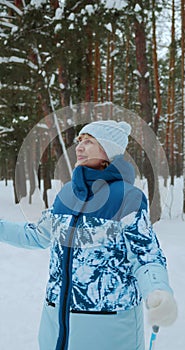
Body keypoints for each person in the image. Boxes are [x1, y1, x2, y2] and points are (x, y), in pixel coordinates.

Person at [0, 120, 177, 350]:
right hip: (55, 328)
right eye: (80, 141)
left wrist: (158, 289)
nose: (80, 147)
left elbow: (145, 255)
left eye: (90, 141)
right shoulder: (65, 195)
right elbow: (37, 235)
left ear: (108, 152)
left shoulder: (127, 197)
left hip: (107, 332)